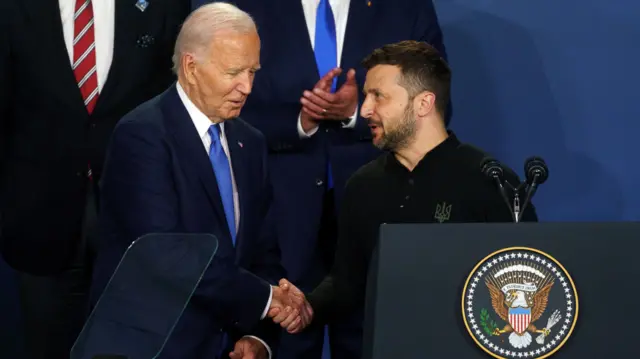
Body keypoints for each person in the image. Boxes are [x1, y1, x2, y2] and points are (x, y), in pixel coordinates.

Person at [191, 1, 451, 358]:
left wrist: (357, 113)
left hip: (379, 213)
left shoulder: (405, 8)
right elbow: (211, 104)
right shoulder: (244, 9)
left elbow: (435, 107)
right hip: (279, 214)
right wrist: (299, 121)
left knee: (372, 337)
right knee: (285, 335)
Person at [275, 40, 538, 338]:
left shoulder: (490, 181)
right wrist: (307, 307)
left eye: (378, 96)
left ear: (423, 103)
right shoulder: (364, 185)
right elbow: (346, 283)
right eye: (366, 96)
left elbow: (527, 279)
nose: (365, 110)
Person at [90, 4, 309, 359]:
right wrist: (269, 300)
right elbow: (167, 256)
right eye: (234, 72)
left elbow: (263, 252)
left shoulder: (249, 143)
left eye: (253, 72)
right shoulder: (142, 136)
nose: (247, 87)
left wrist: (260, 336)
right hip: (155, 348)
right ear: (191, 67)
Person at [0, 0, 190, 358]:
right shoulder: (13, 8)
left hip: (137, 219)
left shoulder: (163, 5)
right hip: (38, 220)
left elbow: (176, 107)